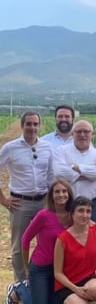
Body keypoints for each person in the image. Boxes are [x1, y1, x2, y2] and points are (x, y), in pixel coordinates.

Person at [0, 111, 54, 282]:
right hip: (20, 203)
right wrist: (3, 200)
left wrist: (51, 203)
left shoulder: (47, 147)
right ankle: (21, 283)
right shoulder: (10, 148)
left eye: (35, 124)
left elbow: (51, 175)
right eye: (29, 124)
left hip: (43, 203)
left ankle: (43, 279)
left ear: (39, 126)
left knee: (47, 242)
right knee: (18, 245)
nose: (32, 127)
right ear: (22, 125)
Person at [20, 180, 74, 304]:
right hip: (41, 268)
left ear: (69, 194)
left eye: (64, 191)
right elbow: (25, 239)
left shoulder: (74, 215)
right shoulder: (43, 215)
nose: (61, 194)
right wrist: (26, 268)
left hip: (62, 269)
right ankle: (19, 292)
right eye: (57, 192)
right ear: (51, 196)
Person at [54, 196, 96, 304]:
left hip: (87, 279)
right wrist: (76, 289)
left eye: (88, 211)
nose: (85, 215)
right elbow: (58, 273)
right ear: (72, 213)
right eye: (80, 211)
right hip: (66, 284)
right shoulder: (63, 239)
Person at [53, 120, 96, 222]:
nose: (83, 135)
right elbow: (60, 173)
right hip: (67, 203)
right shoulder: (61, 151)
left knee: (89, 235)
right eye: (79, 131)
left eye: (86, 132)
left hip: (92, 204)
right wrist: (88, 172)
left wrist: (78, 168)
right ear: (72, 134)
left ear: (92, 134)